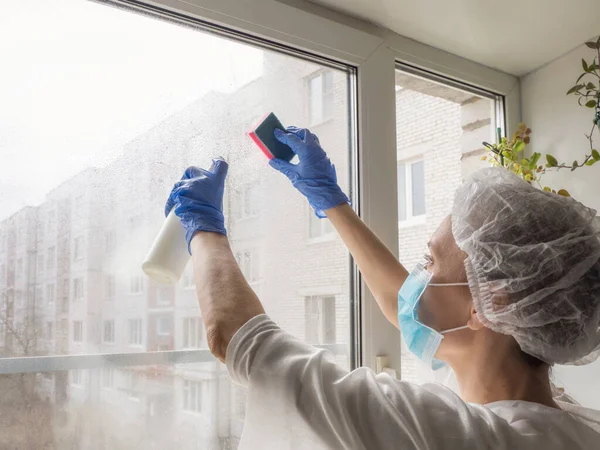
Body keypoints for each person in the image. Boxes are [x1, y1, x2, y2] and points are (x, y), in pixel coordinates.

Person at [166, 127, 600, 449]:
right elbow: (406, 302)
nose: (416, 276)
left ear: (492, 303)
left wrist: (203, 226)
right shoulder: (569, 421)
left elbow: (240, 341)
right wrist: (332, 202)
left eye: (429, 260)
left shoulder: (449, 434)